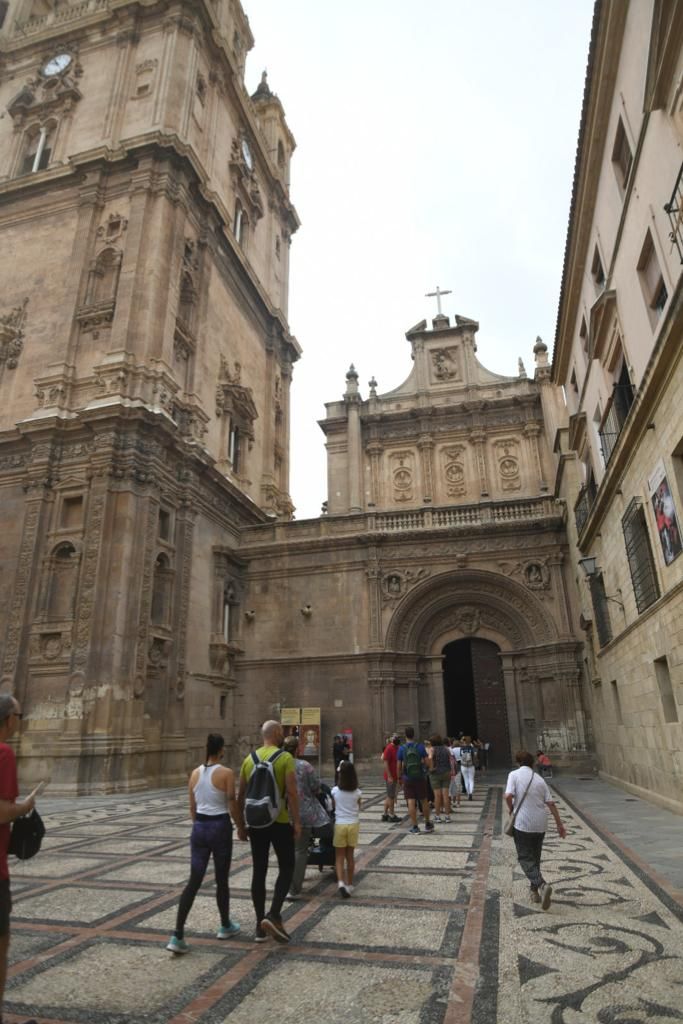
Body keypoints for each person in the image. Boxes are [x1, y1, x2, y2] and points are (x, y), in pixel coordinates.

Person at [166, 733, 242, 953]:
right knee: (221, 879)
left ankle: (177, 935)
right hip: (219, 827)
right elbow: (231, 803)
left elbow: (192, 807)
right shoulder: (226, 773)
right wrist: (240, 826)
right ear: (221, 750)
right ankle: (225, 925)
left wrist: (200, 826)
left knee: (194, 881)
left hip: (199, 828)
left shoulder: (194, 774)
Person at [237, 720, 301, 943]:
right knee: (287, 866)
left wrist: (240, 825)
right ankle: (273, 914)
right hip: (279, 820)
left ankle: (259, 926)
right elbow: (292, 793)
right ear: (276, 733)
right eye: (281, 732)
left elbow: (241, 795)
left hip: (256, 823)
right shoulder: (285, 758)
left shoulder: (248, 759)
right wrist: (298, 822)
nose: (284, 734)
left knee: (259, 871)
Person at [0, 693, 39, 1024]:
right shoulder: (4, 752)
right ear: (9, 720)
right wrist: (25, 808)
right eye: (20, 715)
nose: (20, 721)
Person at [505, 750, 567, 909]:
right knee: (535, 856)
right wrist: (560, 824)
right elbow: (551, 803)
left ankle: (541, 885)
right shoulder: (539, 779)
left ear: (518, 762)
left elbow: (508, 795)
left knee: (525, 857)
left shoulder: (514, 775)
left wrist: (511, 808)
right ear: (533, 763)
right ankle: (534, 892)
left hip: (523, 823)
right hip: (540, 823)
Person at [283, 735, 331, 899]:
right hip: (303, 813)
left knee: (286, 850)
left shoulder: (279, 765)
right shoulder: (305, 766)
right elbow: (316, 788)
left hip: (282, 814)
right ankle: (294, 888)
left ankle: (285, 883)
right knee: (300, 850)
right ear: (298, 749)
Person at [331, 761, 362, 897]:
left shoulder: (335, 791)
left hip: (340, 824)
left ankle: (340, 883)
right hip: (353, 824)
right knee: (350, 856)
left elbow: (333, 806)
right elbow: (358, 807)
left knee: (339, 857)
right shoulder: (357, 793)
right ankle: (350, 884)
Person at [397, 727, 433, 834]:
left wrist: (399, 777)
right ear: (414, 734)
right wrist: (426, 770)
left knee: (411, 801)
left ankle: (415, 826)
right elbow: (427, 763)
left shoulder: (401, 748)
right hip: (420, 777)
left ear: (405, 735)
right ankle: (427, 823)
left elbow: (398, 766)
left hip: (408, 778)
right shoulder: (420, 747)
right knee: (424, 800)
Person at [428, 734, 452, 822]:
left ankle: (437, 816)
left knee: (437, 796)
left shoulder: (432, 749)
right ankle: (447, 816)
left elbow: (430, 758)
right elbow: (450, 758)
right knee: (446, 795)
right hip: (446, 772)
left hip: (436, 774)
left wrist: (431, 768)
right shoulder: (446, 749)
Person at [381, 735, 401, 823]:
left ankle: (385, 814)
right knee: (391, 796)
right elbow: (385, 763)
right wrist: (389, 776)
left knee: (389, 795)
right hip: (391, 777)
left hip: (395, 776)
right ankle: (391, 815)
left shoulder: (397, 748)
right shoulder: (389, 748)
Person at [459, 735, 477, 800]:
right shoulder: (472, 748)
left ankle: (468, 793)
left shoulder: (461, 748)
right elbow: (475, 755)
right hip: (471, 765)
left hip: (463, 766)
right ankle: (471, 793)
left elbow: (461, 756)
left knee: (466, 780)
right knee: (471, 780)